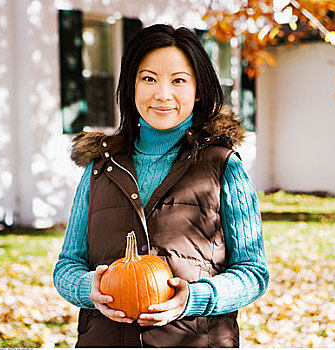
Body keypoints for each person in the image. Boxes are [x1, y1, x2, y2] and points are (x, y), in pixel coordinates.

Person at [53, 24, 269, 347]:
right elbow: (67, 266)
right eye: (149, 79)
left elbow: (253, 273)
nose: (162, 94)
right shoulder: (100, 168)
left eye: (178, 80)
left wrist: (194, 298)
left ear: (198, 90)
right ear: (131, 87)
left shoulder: (224, 166)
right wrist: (90, 288)